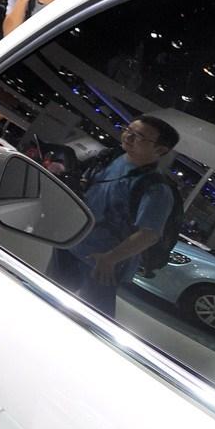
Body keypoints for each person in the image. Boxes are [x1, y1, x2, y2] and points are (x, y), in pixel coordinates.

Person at [48, 117, 180, 317]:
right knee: (47, 296)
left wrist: (110, 259)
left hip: (102, 263)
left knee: (92, 318)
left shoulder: (156, 188)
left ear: (160, 149)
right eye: (128, 129)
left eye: (139, 136)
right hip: (71, 243)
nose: (128, 136)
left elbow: (149, 235)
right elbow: (87, 183)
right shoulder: (110, 156)